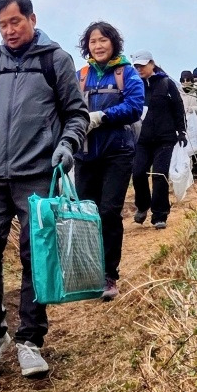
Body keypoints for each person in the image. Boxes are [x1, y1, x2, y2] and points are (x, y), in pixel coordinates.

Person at [0, 0, 89, 378]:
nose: (9, 30)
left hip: (37, 177)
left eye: (15, 22)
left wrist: (67, 144)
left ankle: (30, 339)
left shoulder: (55, 60)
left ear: (32, 19)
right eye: (2, 25)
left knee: (34, 256)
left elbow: (76, 114)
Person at [74, 21, 145, 301]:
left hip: (117, 152)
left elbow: (135, 107)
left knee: (108, 212)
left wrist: (102, 116)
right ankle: (89, 271)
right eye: (93, 41)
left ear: (114, 43)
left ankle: (109, 275)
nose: (98, 45)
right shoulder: (81, 75)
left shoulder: (126, 73)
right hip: (85, 154)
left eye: (103, 40)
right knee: (86, 214)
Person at [131, 51, 186, 229]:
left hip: (165, 138)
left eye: (142, 65)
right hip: (142, 139)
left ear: (152, 64)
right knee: (138, 173)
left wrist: (182, 131)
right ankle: (142, 205)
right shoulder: (135, 85)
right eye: (136, 66)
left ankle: (160, 215)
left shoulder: (166, 83)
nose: (139, 69)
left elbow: (178, 107)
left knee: (159, 175)